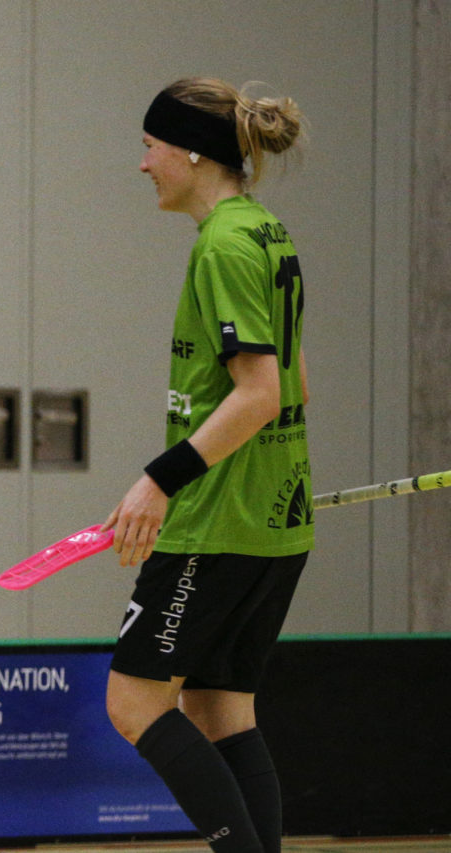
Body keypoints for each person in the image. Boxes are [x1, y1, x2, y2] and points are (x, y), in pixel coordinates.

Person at [100, 78, 312, 853]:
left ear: (193, 151)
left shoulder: (224, 242)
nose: (145, 163)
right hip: (275, 519)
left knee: (133, 702)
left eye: (152, 146)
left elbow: (258, 395)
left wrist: (159, 479)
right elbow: (297, 385)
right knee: (220, 711)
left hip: (218, 522)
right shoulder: (266, 231)